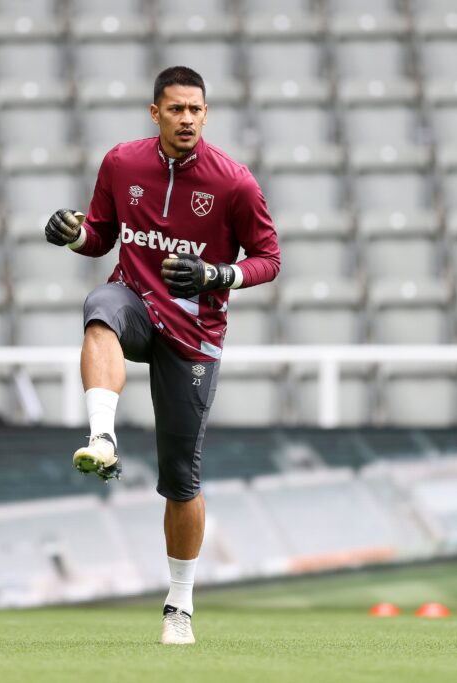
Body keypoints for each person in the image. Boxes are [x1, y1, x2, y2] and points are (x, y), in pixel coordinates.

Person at [43, 66, 280, 645]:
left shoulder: (235, 184)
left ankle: (180, 605)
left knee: (181, 481)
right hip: (136, 302)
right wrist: (73, 234)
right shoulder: (122, 163)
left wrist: (216, 273)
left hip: (194, 332)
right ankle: (102, 437)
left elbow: (269, 258)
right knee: (100, 307)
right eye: (175, 109)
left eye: (196, 110)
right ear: (156, 114)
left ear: (206, 114)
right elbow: (100, 234)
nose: (187, 119)